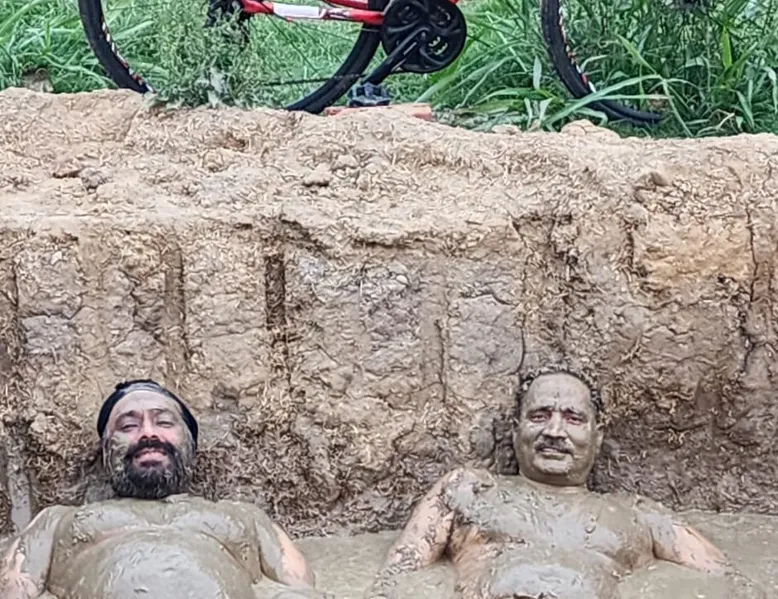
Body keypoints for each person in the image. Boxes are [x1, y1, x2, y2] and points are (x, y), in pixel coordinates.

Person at [366, 367, 765, 599]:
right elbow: (397, 578)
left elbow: (732, 583)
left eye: (573, 418)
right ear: (516, 429)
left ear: (597, 436)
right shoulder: (467, 489)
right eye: (540, 415)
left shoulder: (638, 514)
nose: (555, 431)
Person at [0, 379, 328, 599]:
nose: (148, 433)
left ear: (190, 444)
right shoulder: (57, 520)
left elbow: (301, 591)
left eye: (164, 422)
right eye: (129, 425)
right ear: (105, 450)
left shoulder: (245, 518)